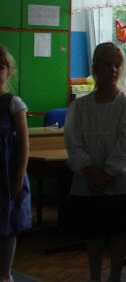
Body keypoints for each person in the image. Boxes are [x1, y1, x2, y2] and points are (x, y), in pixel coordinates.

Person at [63, 42, 126, 282]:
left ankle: (115, 275)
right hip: (88, 179)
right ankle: (95, 276)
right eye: (107, 64)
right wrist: (89, 170)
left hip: (120, 181)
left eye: (117, 65)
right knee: (94, 233)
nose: (113, 70)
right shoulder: (80, 106)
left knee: (119, 232)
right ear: (95, 68)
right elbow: (73, 141)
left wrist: (108, 173)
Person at [0, 46, 31, 282]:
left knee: (7, 224)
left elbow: (23, 143)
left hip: (7, 175)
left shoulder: (14, 103)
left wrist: (19, 177)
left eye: (0, 67)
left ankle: (4, 274)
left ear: (8, 72)